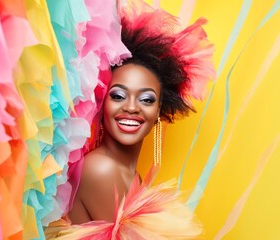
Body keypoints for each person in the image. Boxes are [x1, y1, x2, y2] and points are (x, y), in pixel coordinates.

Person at [45, 0, 215, 238]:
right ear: (103, 102)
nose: (132, 107)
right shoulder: (101, 169)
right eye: (118, 95)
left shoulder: (129, 174)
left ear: (159, 110)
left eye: (146, 99)